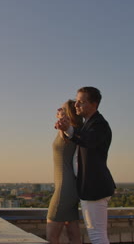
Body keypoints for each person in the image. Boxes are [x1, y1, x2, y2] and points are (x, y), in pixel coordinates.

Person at [55, 86, 116, 244]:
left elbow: (88, 140)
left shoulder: (99, 124)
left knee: (97, 235)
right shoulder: (89, 124)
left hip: (95, 187)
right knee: (96, 234)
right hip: (91, 187)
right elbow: (80, 136)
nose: (76, 105)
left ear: (94, 104)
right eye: (76, 101)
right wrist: (66, 124)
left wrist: (68, 128)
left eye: (81, 102)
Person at [47, 100, 83, 244]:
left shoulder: (70, 132)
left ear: (68, 113)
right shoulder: (68, 131)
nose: (57, 109)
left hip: (64, 189)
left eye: (61, 108)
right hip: (71, 188)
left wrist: (65, 127)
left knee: (51, 237)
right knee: (73, 235)